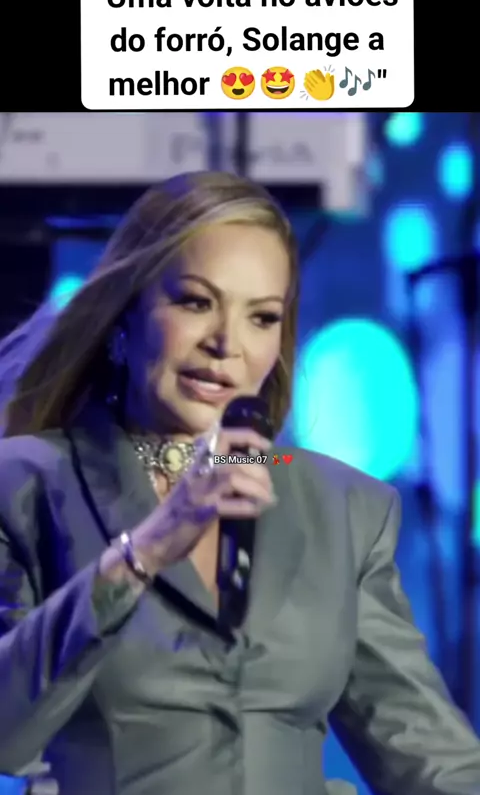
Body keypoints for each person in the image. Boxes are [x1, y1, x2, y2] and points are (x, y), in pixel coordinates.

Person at [0, 170, 479, 795]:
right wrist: (147, 549)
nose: (227, 343)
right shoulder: (28, 484)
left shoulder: (344, 508)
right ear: (125, 317)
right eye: (196, 302)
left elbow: (426, 755)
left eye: (262, 317)